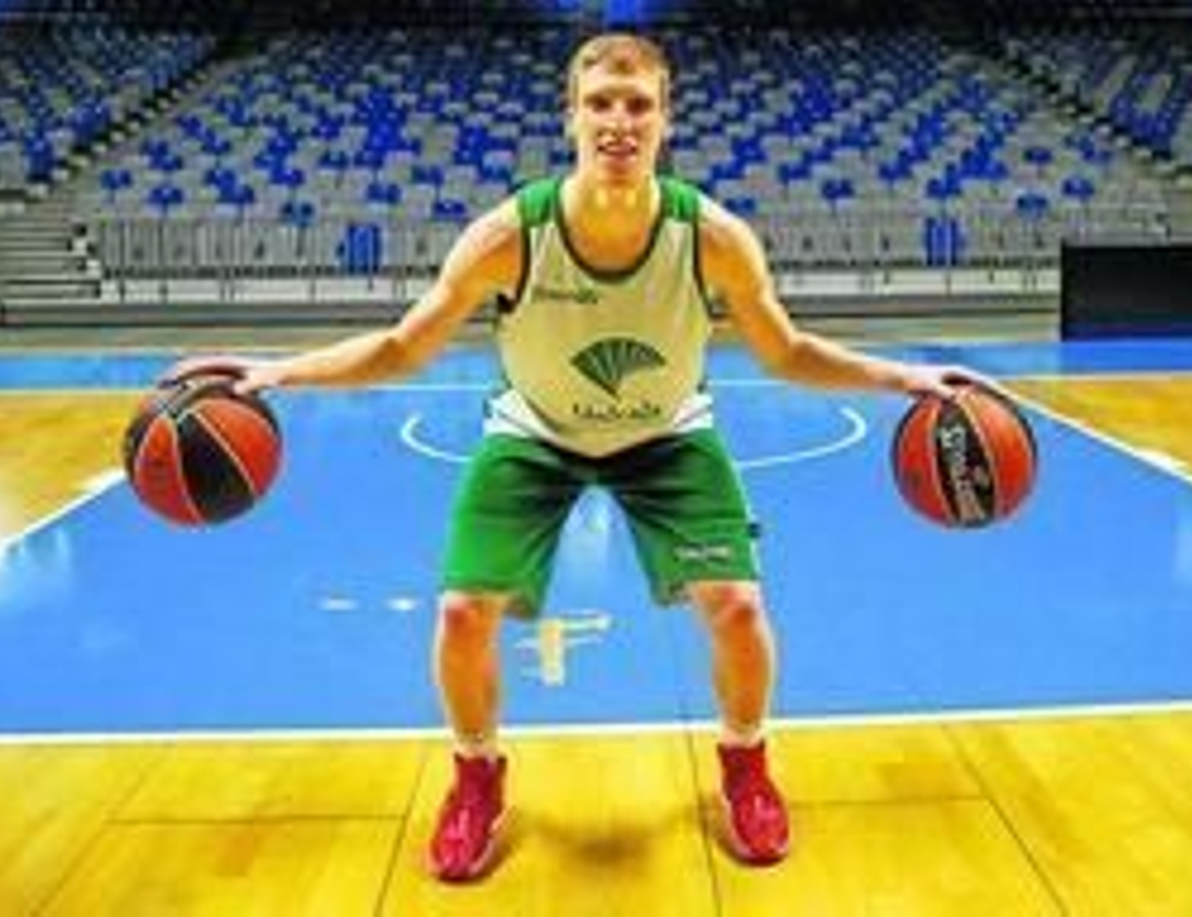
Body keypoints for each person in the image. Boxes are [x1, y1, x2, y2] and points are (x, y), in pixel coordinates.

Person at [183, 32, 968, 882]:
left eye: (638, 105)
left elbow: (785, 353)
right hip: (537, 436)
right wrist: (274, 374)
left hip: (667, 434)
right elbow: (406, 348)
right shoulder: (507, 236)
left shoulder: (713, 236)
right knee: (459, 612)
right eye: (601, 103)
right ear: (571, 118)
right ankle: (476, 775)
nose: (619, 122)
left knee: (738, 605)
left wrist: (905, 378)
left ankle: (746, 764)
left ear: (666, 120)